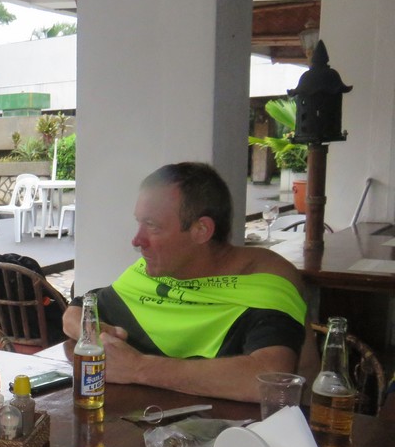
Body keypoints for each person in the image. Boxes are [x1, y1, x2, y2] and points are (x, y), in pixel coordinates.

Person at [61, 162, 318, 403]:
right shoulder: (158, 271)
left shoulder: (264, 281)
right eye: (139, 223)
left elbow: (270, 380)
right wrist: (95, 334)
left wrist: (138, 368)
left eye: (152, 226)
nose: (137, 241)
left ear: (201, 230)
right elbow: (78, 311)